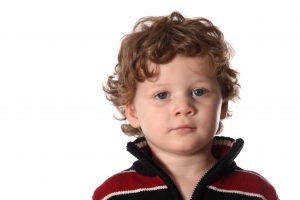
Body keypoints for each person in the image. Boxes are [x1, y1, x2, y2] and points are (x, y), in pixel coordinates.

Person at [93, 11, 278, 200]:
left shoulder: (256, 192)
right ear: (132, 112)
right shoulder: (113, 195)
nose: (183, 107)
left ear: (222, 105)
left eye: (199, 92)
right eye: (162, 95)